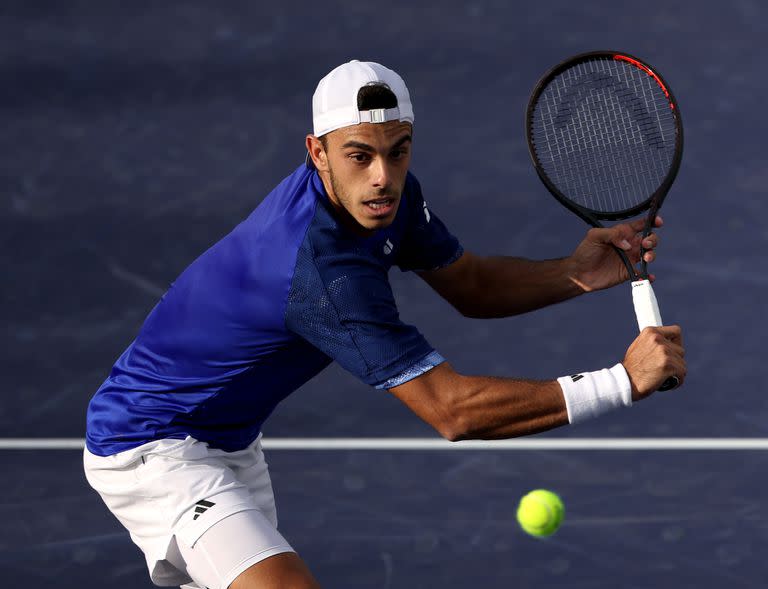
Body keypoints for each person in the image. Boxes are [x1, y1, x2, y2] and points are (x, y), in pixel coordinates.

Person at [83, 59, 686, 589]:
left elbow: (471, 286)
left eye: (398, 151)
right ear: (317, 152)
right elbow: (454, 412)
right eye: (360, 156)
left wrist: (577, 271)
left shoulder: (384, 196)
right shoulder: (320, 272)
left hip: (229, 441)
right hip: (153, 447)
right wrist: (620, 381)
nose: (383, 176)